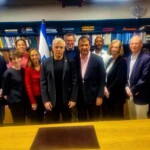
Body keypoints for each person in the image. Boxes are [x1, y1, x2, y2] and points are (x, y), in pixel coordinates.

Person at [41, 38, 78, 123]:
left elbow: (74, 82)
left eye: (61, 47)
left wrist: (73, 99)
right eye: (56, 47)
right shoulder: (46, 62)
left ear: (64, 48)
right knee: (53, 125)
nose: (58, 49)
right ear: (52, 48)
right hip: (52, 101)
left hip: (67, 101)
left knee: (68, 124)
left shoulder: (70, 61)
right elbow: (43, 82)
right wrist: (46, 100)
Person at [76, 36, 105, 121]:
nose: (84, 47)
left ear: (89, 46)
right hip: (80, 98)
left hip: (94, 97)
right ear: (78, 47)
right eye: (81, 45)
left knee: (95, 121)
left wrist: (100, 96)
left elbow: (102, 79)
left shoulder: (98, 59)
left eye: (86, 45)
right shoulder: (74, 60)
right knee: (82, 122)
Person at [125, 35, 150, 119]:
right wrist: (126, 87)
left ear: (141, 45)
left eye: (136, 43)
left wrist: (132, 89)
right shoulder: (128, 58)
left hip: (141, 96)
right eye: (132, 43)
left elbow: (145, 78)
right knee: (132, 119)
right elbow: (127, 76)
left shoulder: (146, 58)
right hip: (130, 94)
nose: (134, 45)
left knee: (141, 121)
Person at [102, 39, 127, 120]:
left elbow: (119, 80)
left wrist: (108, 90)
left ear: (120, 49)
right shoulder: (110, 60)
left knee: (117, 119)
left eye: (116, 47)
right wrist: (105, 87)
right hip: (108, 95)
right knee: (109, 118)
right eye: (112, 47)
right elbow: (106, 76)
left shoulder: (122, 61)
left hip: (117, 97)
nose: (113, 49)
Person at [2, 50, 26, 124]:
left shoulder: (23, 70)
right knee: (18, 122)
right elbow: (5, 89)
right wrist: (9, 99)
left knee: (23, 120)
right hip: (15, 102)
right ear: (11, 60)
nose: (16, 60)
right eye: (13, 59)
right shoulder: (8, 72)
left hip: (23, 100)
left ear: (21, 58)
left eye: (18, 58)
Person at [25, 48, 44, 123]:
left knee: (42, 117)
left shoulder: (43, 66)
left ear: (39, 56)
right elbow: (28, 86)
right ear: (30, 57)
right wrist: (33, 102)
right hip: (34, 97)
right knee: (35, 119)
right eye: (32, 55)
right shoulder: (28, 69)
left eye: (36, 55)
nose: (34, 57)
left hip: (44, 96)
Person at [0, 55, 7, 125]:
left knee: (1, 117)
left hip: (0, 93)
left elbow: (4, 75)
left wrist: (3, 88)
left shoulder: (1, 59)